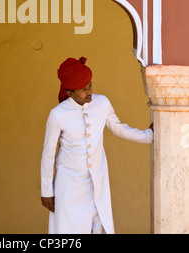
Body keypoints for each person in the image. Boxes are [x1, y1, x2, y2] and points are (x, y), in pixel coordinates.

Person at [41, 57, 154, 234]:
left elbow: (117, 128)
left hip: (97, 181)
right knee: (70, 230)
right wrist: (46, 190)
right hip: (69, 184)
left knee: (99, 226)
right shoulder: (58, 114)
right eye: (82, 90)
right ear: (70, 93)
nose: (89, 92)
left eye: (90, 86)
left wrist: (148, 136)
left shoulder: (102, 103)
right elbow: (48, 154)